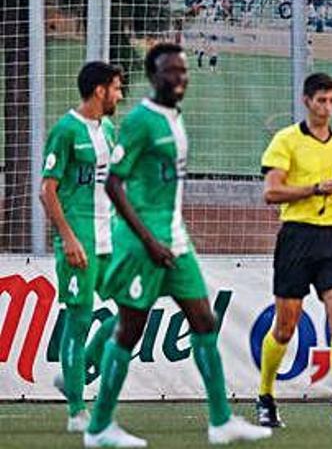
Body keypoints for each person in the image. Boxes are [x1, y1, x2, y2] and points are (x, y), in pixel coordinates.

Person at [87, 43, 271, 447]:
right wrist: (148, 239)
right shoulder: (139, 120)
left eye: (183, 71)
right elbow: (113, 181)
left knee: (204, 322)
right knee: (129, 330)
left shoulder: (175, 116)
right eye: (171, 72)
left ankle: (221, 421)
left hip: (176, 240)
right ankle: (99, 427)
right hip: (143, 244)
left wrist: (171, 233)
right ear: (154, 76)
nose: (180, 78)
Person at [257, 73, 332, 430]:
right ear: (307, 101)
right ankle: (266, 395)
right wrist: (315, 188)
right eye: (321, 101)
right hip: (297, 236)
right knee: (286, 326)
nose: (328, 108)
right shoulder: (286, 140)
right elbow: (271, 192)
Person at [41, 61, 124, 433]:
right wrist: (69, 237)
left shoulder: (107, 128)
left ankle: (78, 372)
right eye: (117, 89)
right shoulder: (65, 130)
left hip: (111, 237)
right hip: (80, 241)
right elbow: (47, 191)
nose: (120, 95)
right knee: (79, 320)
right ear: (99, 91)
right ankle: (77, 410)